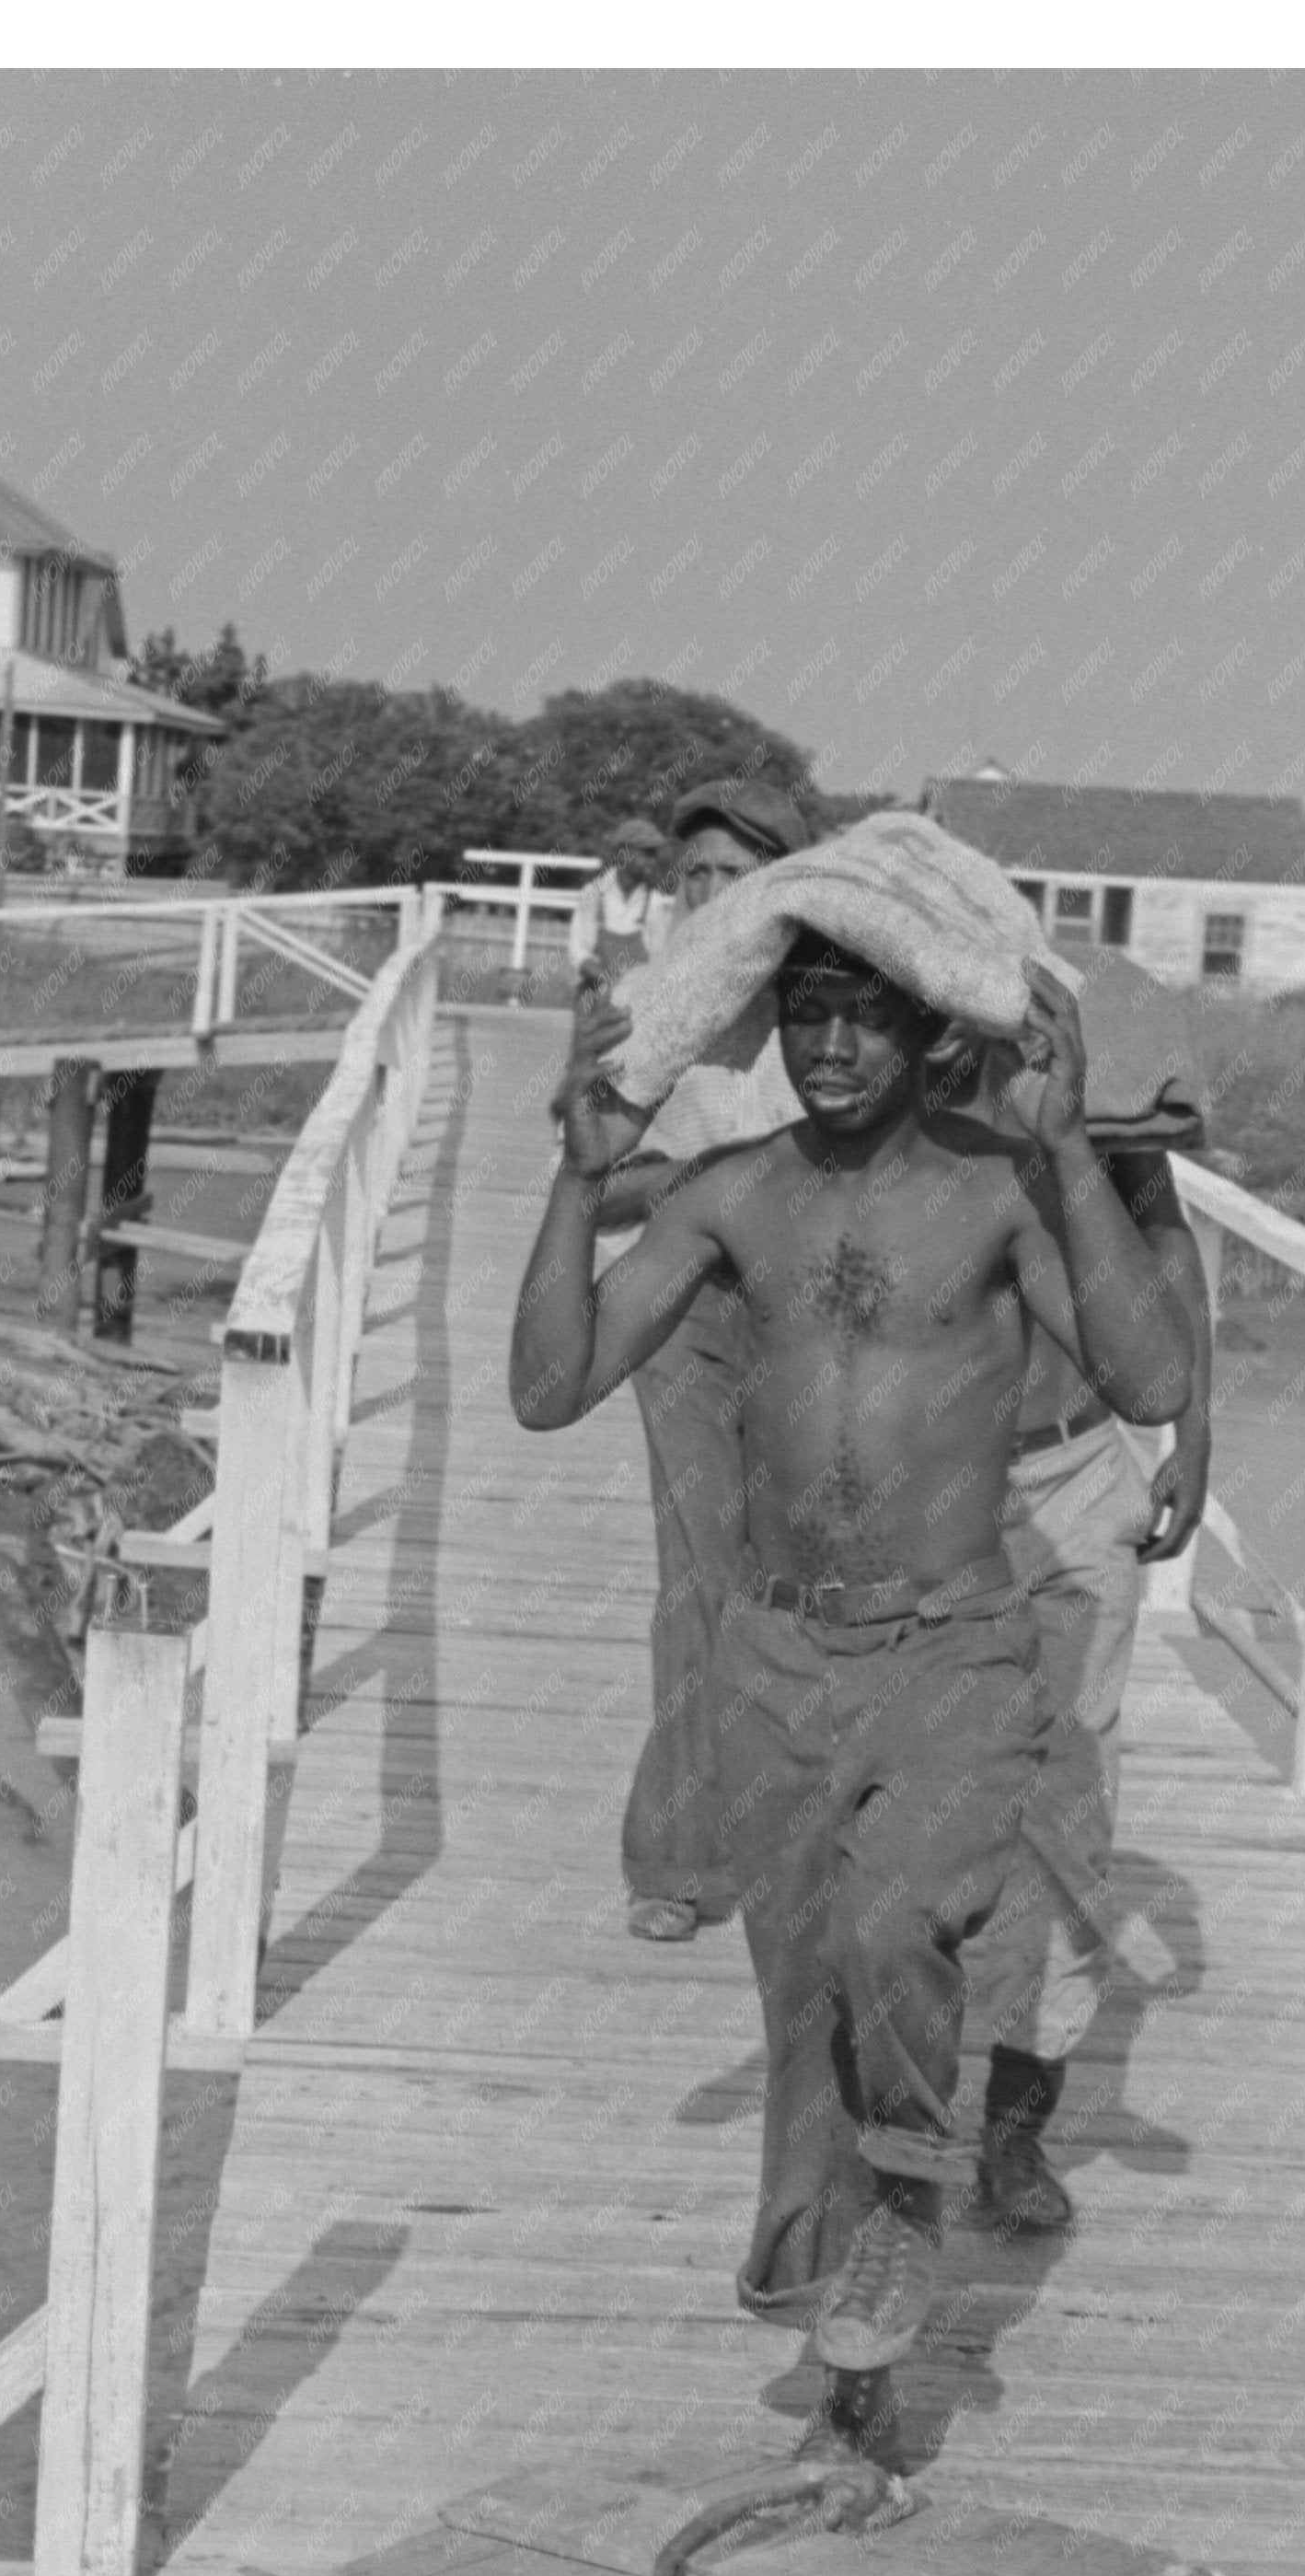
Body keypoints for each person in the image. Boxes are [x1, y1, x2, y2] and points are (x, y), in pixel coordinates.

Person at [513, 934, 1195, 2408]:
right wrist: (577, 1181)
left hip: (949, 1640)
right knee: (808, 1999)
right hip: (773, 1652)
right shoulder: (732, 1191)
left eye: (865, 1020)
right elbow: (547, 1385)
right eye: (808, 1015)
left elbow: (1149, 1382)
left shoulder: (996, 1189)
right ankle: (852, 2369)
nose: (832, 1048)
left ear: (927, 1034)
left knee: (894, 1930)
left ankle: (905, 2198)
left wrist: (1069, 1154)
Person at [560, 775, 812, 1939]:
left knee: (813, 1581)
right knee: (701, 1576)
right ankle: (672, 1857)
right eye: (694, 874)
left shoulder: (830, 1006)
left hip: (822, 1328)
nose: (713, 897)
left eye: (738, 875)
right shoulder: (638, 1005)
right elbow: (594, 1183)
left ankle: (800, 1835)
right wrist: (717, 1182)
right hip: (686, 1319)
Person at [959, 1138, 1213, 2232]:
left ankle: (1013, 2130)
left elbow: (1163, 1237)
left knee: (1068, 1800)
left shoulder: (1091, 1053)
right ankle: (865, 2113)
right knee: (885, 1778)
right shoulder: (881, 1030)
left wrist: (1192, 1427)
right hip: (916, 1466)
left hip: (1072, 1462)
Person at [566, 819, 673, 979]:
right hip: (593, 994)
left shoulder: (656, 904)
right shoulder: (594, 894)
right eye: (646, 854)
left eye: (654, 855)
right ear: (623, 855)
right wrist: (606, 980)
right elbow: (578, 950)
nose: (653, 861)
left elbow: (659, 960)